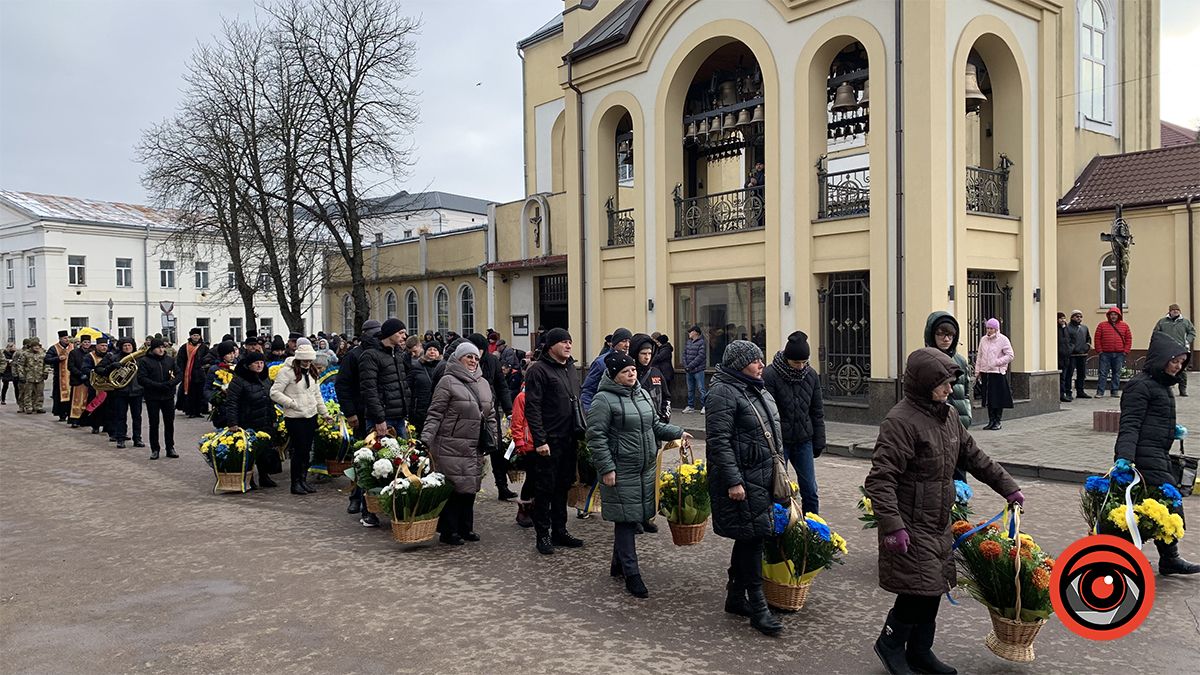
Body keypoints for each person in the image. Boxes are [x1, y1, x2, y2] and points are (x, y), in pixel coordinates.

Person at [866, 347, 1023, 675]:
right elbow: (880, 480)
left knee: (933, 587)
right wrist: (893, 526)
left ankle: (920, 650)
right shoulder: (900, 422)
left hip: (937, 519)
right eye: (944, 383)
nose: (950, 388)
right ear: (925, 383)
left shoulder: (948, 415)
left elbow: (975, 457)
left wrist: (1008, 486)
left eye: (952, 382)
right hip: (909, 522)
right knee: (917, 590)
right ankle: (891, 645)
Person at [587, 351, 689, 598]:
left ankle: (618, 565)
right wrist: (607, 468)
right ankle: (632, 574)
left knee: (631, 516)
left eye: (633, 370)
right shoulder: (603, 400)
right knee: (625, 521)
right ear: (613, 376)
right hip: (621, 469)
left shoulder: (641, 393)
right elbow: (596, 437)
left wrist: (678, 432)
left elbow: (654, 425)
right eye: (625, 371)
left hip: (644, 468)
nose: (632, 374)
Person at [705, 340, 784, 636]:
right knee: (753, 538)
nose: (761, 364)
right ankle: (758, 607)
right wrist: (734, 481)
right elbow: (719, 442)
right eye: (755, 360)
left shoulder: (754, 386)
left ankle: (735, 598)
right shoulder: (723, 392)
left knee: (749, 535)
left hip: (760, 476)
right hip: (742, 479)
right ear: (740, 364)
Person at [1116, 331, 1197, 574]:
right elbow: (1130, 424)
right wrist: (1124, 457)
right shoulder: (1140, 386)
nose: (1177, 366)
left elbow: (1153, 420)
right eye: (1174, 361)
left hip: (1158, 454)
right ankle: (1162, 558)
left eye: (1181, 363)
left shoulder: (1160, 385)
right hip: (1143, 457)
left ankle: (1166, 558)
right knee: (1167, 504)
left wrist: (1173, 431)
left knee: (1154, 508)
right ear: (1162, 359)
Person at [421, 342, 498, 545]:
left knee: (470, 487)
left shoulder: (483, 383)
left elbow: (490, 414)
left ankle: (466, 528)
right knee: (454, 488)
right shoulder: (447, 381)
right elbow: (435, 413)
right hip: (450, 443)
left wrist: (494, 438)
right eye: (468, 357)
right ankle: (449, 531)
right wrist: (426, 439)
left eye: (475, 358)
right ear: (458, 358)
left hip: (474, 445)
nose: (473, 361)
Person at [523, 327, 585, 554]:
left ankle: (560, 531)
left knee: (563, 486)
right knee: (544, 489)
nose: (569, 345)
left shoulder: (570, 367)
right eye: (563, 342)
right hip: (548, 441)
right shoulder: (538, 370)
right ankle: (543, 535)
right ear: (551, 346)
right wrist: (540, 440)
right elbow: (533, 407)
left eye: (570, 341)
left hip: (569, 439)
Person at [763, 330, 826, 515]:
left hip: (804, 440)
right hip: (779, 443)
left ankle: (812, 529)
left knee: (810, 490)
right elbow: (768, 414)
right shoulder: (770, 375)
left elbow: (817, 411)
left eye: (804, 362)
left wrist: (819, 440)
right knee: (780, 490)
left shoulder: (811, 375)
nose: (800, 367)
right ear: (787, 358)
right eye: (796, 362)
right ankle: (781, 530)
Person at [335, 319, 381, 523]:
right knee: (361, 458)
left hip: (380, 414)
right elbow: (342, 386)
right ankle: (355, 497)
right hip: (361, 414)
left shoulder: (385, 353)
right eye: (374, 334)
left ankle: (376, 499)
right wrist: (350, 413)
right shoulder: (353, 356)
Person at [271, 342, 329, 495]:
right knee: (298, 451)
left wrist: (325, 413)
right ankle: (295, 483)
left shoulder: (311, 371)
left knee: (306, 451)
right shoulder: (286, 372)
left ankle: (303, 481)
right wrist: (291, 403)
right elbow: (274, 392)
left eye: (310, 361)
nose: (308, 364)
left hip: (310, 415)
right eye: (305, 361)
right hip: (295, 417)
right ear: (298, 359)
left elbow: (317, 395)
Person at [223, 351, 280, 488]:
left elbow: (270, 399)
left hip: (265, 419)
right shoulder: (239, 380)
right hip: (248, 420)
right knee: (250, 451)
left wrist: (274, 417)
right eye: (256, 363)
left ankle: (264, 476)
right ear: (249, 365)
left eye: (262, 362)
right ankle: (249, 478)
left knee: (265, 450)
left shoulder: (265, 378)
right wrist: (232, 422)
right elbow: (232, 402)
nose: (260, 365)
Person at [468, 332, 515, 500]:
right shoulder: (466, 363)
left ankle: (502, 487)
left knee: (497, 450)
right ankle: (470, 488)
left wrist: (509, 410)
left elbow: (502, 386)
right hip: (470, 414)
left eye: (481, 349)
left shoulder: (493, 362)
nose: (477, 354)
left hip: (491, 413)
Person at [358, 318, 411, 438]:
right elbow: (369, 390)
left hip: (399, 417)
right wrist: (379, 418)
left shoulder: (398, 354)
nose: (404, 336)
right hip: (382, 419)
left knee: (403, 455)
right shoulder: (371, 355)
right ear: (389, 333)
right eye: (400, 333)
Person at [137, 338, 179, 459]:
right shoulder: (145, 361)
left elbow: (179, 374)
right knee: (154, 423)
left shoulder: (170, 360)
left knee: (169, 423)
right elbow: (141, 378)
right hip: (152, 396)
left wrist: (171, 384)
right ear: (153, 349)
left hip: (168, 396)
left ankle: (170, 447)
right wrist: (156, 385)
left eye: (162, 347)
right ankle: (155, 449)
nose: (161, 350)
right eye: (158, 347)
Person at [98, 338, 143, 448]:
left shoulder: (139, 358)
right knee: (120, 416)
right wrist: (111, 367)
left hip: (136, 391)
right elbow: (98, 369)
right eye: (125, 346)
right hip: (120, 392)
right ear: (121, 347)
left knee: (137, 417)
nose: (127, 348)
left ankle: (137, 439)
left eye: (129, 345)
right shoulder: (113, 357)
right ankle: (120, 438)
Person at [974, 318, 1014, 430]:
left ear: (996, 329)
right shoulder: (983, 340)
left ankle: (997, 421)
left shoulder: (1003, 340)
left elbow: (1010, 355)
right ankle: (991, 420)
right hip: (986, 372)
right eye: (987, 328)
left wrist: (997, 362)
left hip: (997, 372)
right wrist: (977, 371)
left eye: (991, 328)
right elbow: (979, 356)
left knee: (997, 398)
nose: (989, 330)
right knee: (988, 398)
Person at [582, 328, 631, 409]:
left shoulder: (630, 361)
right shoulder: (601, 362)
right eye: (623, 341)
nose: (627, 345)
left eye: (629, 341)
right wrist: (588, 412)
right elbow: (588, 390)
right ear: (615, 343)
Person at [1154, 303, 1194, 396]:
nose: (1175, 311)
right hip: (1166, 349)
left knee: (1182, 370)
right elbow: (1156, 333)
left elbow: (1192, 332)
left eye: (1177, 310)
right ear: (1170, 311)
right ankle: (1166, 388)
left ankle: (1182, 389)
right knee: (1166, 368)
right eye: (1173, 310)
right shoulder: (1162, 322)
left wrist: (1187, 341)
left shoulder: (1185, 322)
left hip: (1181, 349)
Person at [1094, 306, 1132, 397]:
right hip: (1105, 353)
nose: (1113, 316)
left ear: (1118, 315)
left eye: (1115, 314)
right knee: (1103, 373)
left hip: (1119, 353)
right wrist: (1099, 351)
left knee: (1117, 373)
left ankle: (1114, 391)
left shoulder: (1125, 326)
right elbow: (1097, 338)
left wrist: (1125, 351)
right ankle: (1100, 392)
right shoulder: (1102, 325)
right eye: (1111, 314)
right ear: (1108, 315)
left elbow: (1128, 339)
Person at [406, 341, 440, 436]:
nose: (432, 352)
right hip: (419, 408)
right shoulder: (416, 367)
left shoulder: (443, 368)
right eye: (429, 349)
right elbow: (408, 386)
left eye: (435, 349)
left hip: (437, 407)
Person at [175, 328, 211, 418]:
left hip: (200, 375)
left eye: (197, 335)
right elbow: (180, 360)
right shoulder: (185, 347)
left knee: (199, 394)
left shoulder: (204, 347)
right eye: (194, 335)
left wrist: (204, 367)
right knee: (190, 394)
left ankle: (199, 411)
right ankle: (191, 411)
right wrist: (181, 372)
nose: (196, 337)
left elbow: (208, 358)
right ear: (190, 336)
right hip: (188, 375)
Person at [204, 341, 239, 427]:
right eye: (228, 354)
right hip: (222, 407)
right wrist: (215, 398)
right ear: (222, 355)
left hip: (237, 405)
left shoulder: (238, 367)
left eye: (232, 353)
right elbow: (207, 389)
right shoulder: (214, 369)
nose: (231, 356)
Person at [42, 330, 73, 420]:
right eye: (64, 338)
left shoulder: (72, 347)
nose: (66, 339)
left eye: (67, 338)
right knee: (60, 395)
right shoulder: (54, 348)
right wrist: (58, 358)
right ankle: (61, 414)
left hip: (72, 376)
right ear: (60, 339)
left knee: (72, 395)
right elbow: (47, 359)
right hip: (60, 376)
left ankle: (70, 413)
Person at [67, 334, 96, 427]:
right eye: (85, 342)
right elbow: (70, 366)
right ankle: (74, 420)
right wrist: (80, 374)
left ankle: (85, 420)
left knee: (87, 400)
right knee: (77, 401)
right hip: (78, 380)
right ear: (81, 343)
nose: (87, 344)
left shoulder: (92, 353)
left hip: (89, 380)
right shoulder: (74, 353)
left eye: (88, 342)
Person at [1064, 310, 1092, 400]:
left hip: (1082, 354)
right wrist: (1072, 349)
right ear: (1072, 317)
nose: (1079, 318)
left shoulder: (1084, 328)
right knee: (1069, 374)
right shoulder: (1068, 328)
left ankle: (1080, 391)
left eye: (1080, 316)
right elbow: (1066, 340)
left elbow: (1088, 338)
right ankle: (1068, 392)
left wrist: (1087, 346)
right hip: (1072, 355)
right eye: (1077, 316)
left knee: (1082, 374)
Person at [15, 338, 47, 414]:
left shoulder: (42, 354)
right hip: (29, 376)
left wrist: (45, 372)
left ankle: (38, 406)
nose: (37, 348)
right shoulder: (25, 354)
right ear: (31, 347)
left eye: (38, 346)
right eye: (35, 346)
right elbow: (20, 365)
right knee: (28, 393)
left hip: (40, 376)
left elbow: (46, 364)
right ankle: (28, 407)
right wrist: (21, 375)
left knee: (39, 392)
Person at [682, 325, 707, 413]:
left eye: (691, 332)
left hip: (698, 369)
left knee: (701, 389)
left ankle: (704, 406)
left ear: (696, 332)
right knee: (690, 389)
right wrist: (685, 365)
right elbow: (684, 354)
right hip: (689, 370)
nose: (689, 333)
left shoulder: (702, 342)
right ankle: (690, 406)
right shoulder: (688, 342)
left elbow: (701, 356)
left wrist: (690, 366)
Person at [650, 334, 675, 415]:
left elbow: (658, 358)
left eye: (658, 342)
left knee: (666, 390)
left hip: (666, 373)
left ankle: (667, 406)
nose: (657, 344)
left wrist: (650, 362)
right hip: (663, 372)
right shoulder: (661, 348)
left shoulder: (665, 349)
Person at [1056, 312, 1072, 403]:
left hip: (1066, 356)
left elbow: (1069, 340)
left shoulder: (1065, 329)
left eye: (1064, 318)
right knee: (1060, 377)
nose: (1062, 320)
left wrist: (1070, 349)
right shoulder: (1056, 329)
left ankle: (1063, 394)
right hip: (1059, 356)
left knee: (1064, 377)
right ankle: (1059, 395)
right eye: (1060, 318)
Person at [0, 341, 14, 406]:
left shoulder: (14, 353)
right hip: (6, 370)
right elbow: (2, 360)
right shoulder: (3, 353)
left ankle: (18, 399)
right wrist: (8, 361)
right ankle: (3, 399)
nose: (15, 347)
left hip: (12, 370)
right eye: (13, 346)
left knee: (16, 385)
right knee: (5, 386)